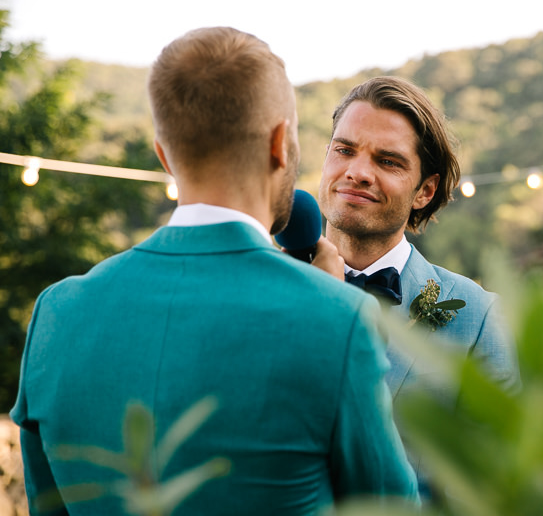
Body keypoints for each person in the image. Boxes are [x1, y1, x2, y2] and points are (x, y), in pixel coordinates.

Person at [11, 27, 418, 515]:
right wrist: (329, 309)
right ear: (281, 144)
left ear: (164, 154)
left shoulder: (56, 312)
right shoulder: (339, 318)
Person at [317, 76, 519, 488]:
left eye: (387, 161)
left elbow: (498, 485)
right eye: (344, 150)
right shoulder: (266, 289)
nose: (357, 172)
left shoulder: (480, 319)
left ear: (425, 191)